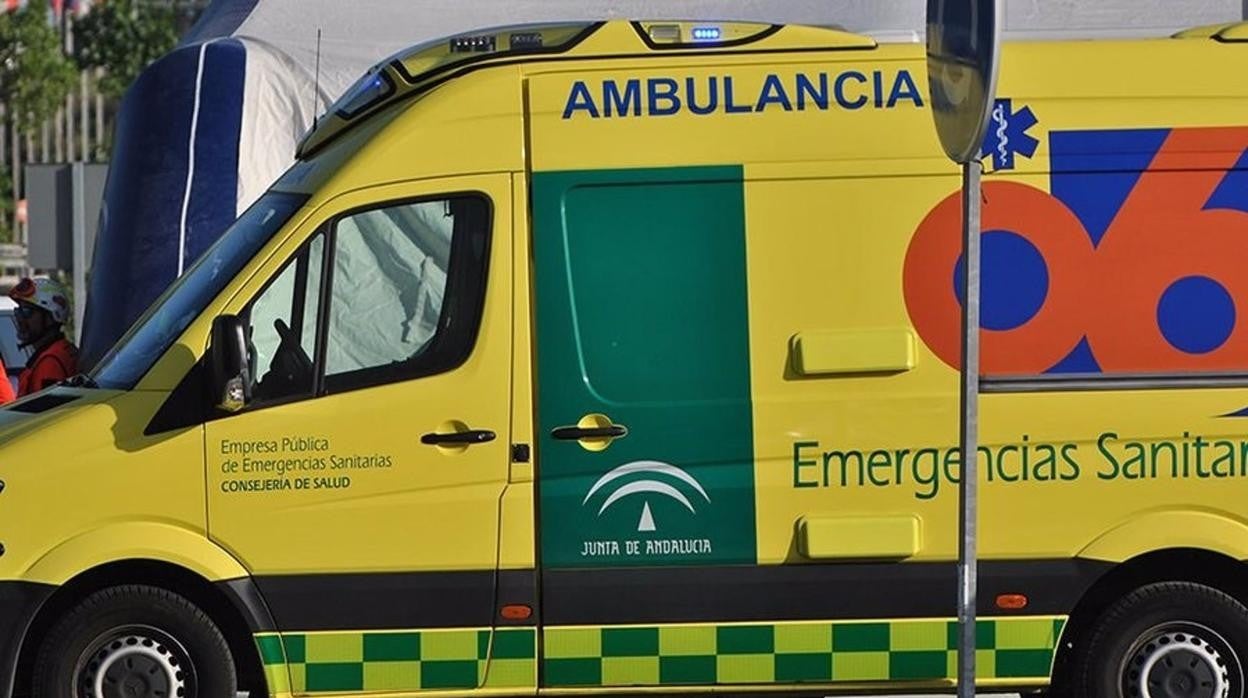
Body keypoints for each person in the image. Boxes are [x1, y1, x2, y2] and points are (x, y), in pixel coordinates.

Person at [9, 277, 78, 396]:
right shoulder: (59, 351)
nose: (20, 319)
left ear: (51, 318)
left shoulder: (50, 363)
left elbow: (46, 412)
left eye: (27, 312)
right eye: (18, 311)